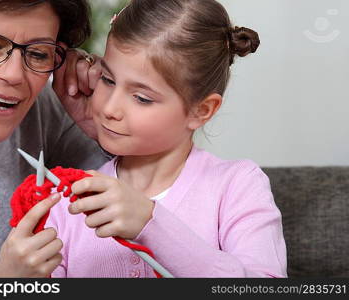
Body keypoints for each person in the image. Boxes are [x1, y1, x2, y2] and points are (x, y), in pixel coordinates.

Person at [44, 0, 287, 277]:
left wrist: (151, 224)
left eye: (142, 98)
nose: (110, 109)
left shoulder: (237, 186)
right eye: (108, 80)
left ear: (201, 110)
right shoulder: (67, 200)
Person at [0, 0, 107, 277]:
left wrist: (101, 126)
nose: (14, 75)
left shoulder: (40, 111)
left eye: (38, 54)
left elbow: (136, 203)